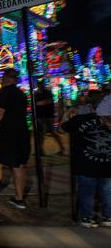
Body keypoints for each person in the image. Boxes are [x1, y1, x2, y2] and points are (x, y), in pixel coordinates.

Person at [61, 93, 111, 228]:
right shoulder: (108, 120)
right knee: (107, 191)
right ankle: (108, 217)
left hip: (85, 164)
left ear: (91, 106)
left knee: (87, 192)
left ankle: (87, 218)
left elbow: (62, 127)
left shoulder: (80, 119)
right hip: (106, 163)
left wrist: (67, 113)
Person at [0, 68, 30, 209]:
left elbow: (0, 112)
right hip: (22, 134)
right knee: (18, 166)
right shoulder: (22, 95)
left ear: (6, 78)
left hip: (7, 134)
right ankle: (19, 199)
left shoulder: (4, 92)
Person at [34, 82, 66, 156]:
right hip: (41, 115)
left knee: (50, 131)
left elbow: (46, 102)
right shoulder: (38, 93)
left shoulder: (46, 93)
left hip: (47, 115)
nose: (39, 86)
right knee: (41, 133)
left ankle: (62, 148)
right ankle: (40, 150)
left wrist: (38, 103)